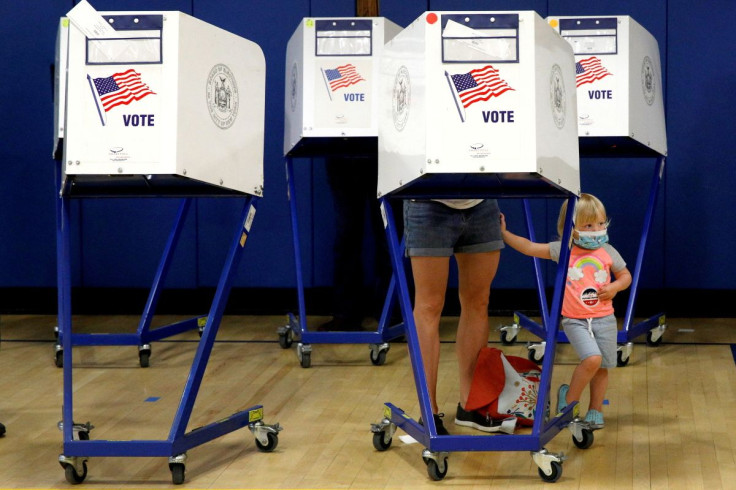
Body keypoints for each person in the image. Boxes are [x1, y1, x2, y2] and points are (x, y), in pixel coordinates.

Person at [500, 193, 632, 429]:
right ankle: (569, 401)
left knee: (602, 368)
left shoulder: (608, 251)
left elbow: (625, 276)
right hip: (575, 321)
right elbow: (529, 247)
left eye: (600, 223)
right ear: (571, 228)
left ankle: (595, 410)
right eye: (588, 225)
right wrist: (504, 234)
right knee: (592, 359)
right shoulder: (563, 250)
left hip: (605, 319)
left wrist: (614, 287)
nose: (596, 230)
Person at [404, 198, 504, 435]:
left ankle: (471, 404)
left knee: (478, 302)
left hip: (481, 201)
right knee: (429, 307)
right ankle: (428, 409)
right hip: (427, 203)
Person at [318, 156, 397, 331]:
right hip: (344, 149)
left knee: (388, 237)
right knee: (348, 236)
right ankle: (347, 315)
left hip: (385, 149)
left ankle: (392, 316)